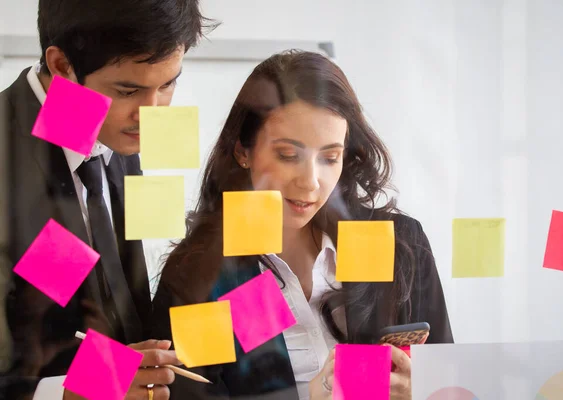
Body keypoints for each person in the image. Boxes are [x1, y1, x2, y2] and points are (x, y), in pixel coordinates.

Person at [152, 50, 454, 400]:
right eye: (288, 155)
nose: (311, 182)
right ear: (242, 151)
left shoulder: (399, 244)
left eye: (330, 157)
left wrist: (426, 390)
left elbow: (450, 383)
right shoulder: (202, 276)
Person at [0, 0, 214, 399]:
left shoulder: (109, 134)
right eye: (128, 90)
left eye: (167, 84)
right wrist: (71, 391)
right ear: (62, 65)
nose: (152, 114)